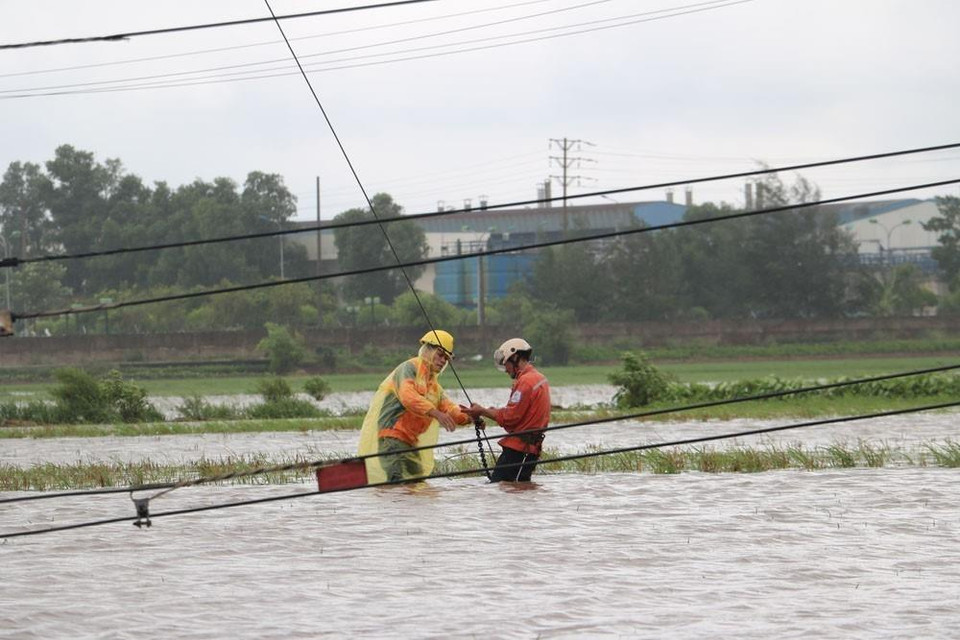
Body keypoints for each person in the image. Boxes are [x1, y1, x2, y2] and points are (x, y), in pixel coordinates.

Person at [357, 329, 472, 484]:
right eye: (440, 355)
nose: (443, 361)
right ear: (428, 349)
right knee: (397, 483)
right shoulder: (409, 368)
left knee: (418, 483)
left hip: (409, 442)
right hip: (391, 437)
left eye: (446, 358)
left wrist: (471, 417)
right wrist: (436, 413)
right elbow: (408, 396)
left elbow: (450, 409)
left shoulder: (433, 385)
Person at [464, 338, 551, 482]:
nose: (506, 369)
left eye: (507, 364)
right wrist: (487, 410)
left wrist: (482, 411)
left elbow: (510, 417)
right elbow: (520, 412)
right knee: (519, 490)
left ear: (516, 357)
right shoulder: (539, 378)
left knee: (502, 487)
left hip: (519, 451)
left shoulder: (525, 382)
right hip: (530, 450)